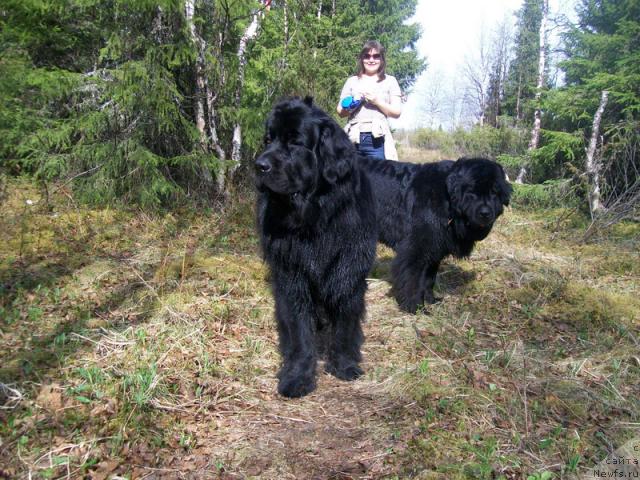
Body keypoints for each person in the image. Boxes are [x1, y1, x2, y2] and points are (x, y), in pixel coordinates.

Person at [337, 40, 402, 160]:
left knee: (378, 177)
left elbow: (397, 112)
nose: (371, 60)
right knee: (351, 177)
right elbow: (340, 112)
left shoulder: (390, 81)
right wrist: (354, 103)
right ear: (361, 58)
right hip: (352, 138)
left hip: (377, 140)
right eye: (367, 56)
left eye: (376, 56)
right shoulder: (351, 81)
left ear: (382, 59)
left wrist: (377, 102)